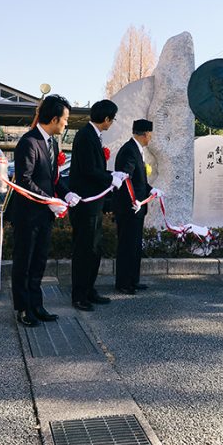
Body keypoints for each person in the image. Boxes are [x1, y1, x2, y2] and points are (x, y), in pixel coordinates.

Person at [11, 94, 80, 326]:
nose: (66, 123)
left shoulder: (52, 142)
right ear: (53, 118)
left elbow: (53, 177)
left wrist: (66, 192)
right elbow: (24, 180)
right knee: (24, 261)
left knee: (39, 261)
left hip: (44, 214)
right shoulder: (29, 142)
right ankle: (22, 308)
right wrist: (48, 198)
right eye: (65, 119)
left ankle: (36, 304)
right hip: (27, 214)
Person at [68, 100, 127, 311]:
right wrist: (111, 177)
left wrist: (112, 175)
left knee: (94, 248)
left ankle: (89, 289)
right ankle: (79, 295)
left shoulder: (93, 135)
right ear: (107, 119)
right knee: (84, 249)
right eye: (113, 119)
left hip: (94, 202)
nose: (112, 123)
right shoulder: (85, 136)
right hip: (85, 203)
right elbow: (88, 169)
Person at [113, 119, 163, 294]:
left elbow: (137, 180)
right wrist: (134, 200)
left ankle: (133, 280)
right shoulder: (129, 150)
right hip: (130, 208)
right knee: (127, 245)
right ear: (146, 134)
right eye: (150, 134)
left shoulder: (136, 149)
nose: (151, 138)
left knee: (134, 245)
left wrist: (150, 189)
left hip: (137, 207)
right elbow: (126, 178)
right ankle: (124, 283)